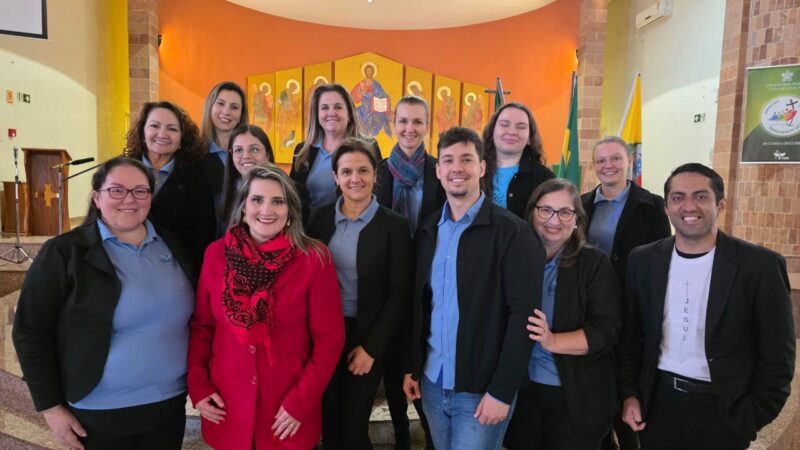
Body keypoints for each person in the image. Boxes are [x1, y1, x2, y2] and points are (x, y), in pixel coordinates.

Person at [13, 157, 195, 450]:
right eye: (117, 190)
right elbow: (30, 331)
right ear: (97, 197)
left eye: (140, 191)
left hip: (168, 403)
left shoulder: (170, 244)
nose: (129, 199)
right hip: (99, 410)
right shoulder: (64, 252)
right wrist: (50, 407)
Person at [619, 163, 795, 449]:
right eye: (677, 197)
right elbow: (632, 336)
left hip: (723, 409)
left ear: (720, 204)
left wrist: (748, 419)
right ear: (666, 207)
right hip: (657, 404)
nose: (688, 206)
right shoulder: (643, 259)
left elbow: (778, 356)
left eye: (700, 196)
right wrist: (629, 393)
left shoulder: (759, 266)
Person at [403, 127, 545, 450]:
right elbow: (421, 306)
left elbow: (524, 317)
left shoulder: (513, 233)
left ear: (482, 168)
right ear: (438, 171)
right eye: (448, 160)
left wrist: (502, 390)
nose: (457, 168)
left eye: (467, 159)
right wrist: (413, 367)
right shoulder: (427, 231)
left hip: (482, 391)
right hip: (434, 383)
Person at [188, 165, 345, 450]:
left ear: (290, 211)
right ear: (243, 207)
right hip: (227, 405)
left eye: (278, 201)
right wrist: (198, 387)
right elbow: (202, 327)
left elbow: (330, 341)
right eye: (257, 200)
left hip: (286, 411)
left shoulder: (314, 259)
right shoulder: (215, 255)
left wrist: (301, 402)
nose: (266, 210)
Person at [305, 138, 412, 450]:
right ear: (336, 177)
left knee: (353, 428)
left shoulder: (394, 225)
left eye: (364, 170)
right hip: (324, 334)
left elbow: (398, 293)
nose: (356, 178)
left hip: (368, 334)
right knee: (328, 422)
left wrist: (372, 348)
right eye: (347, 171)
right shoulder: (319, 219)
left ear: (375, 175)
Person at [504, 178, 621, 450]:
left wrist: (552, 341)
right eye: (545, 210)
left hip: (576, 396)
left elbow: (606, 330)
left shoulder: (594, 263)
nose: (554, 220)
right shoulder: (513, 259)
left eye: (565, 212)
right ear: (531, 213)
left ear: (577, 219)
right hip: (523, 392)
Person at [581, 136, 671, 450]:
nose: (608, 166)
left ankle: (630, 439)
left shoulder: (651, 205)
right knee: (597, 380)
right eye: (601, 160)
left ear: (629, 162)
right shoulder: (582, 204)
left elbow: (662, 258)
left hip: (632, 305)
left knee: (626, 378)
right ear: (593, 166)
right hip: (591, 305)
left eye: (616, 158)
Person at [375, 95, 443, 450]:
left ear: (427, 125)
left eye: (417, 122)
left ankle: (430, 434)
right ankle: (402, 434)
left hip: (430, 278)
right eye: (402, 121)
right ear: (393, 124)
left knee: (420, 356)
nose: (409, 129)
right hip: (388, 278)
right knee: (391, 356)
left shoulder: (439, 170)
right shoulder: (379, 170)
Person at [125, 100, 216, 276]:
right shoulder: (120, 172)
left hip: (175, 273)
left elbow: (203, 235)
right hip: (125, 270)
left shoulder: (195, 179)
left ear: (182, 139)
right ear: (143, 133)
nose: (162, 134)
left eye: (172, 129)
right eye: (154, 126)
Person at [290, 83, 380, 212]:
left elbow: (378, 194)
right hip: (309, 229)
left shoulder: (369, 147)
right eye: (324, 108)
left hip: (355, 227)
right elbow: (293, 196)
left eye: (338, 107)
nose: (331, 113)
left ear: (349, 113)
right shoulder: (302, 151)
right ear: (317, 114)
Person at [482, 102, 555, 219]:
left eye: (521, 127)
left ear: (529, 138)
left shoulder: (543, 177)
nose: (511, 132)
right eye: (504, 125)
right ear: (492, 131)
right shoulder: (472, 170)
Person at [200, 81, 249, 235]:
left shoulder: (252, 153)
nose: (226, 111)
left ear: (241, 115)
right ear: (210, 107)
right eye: (220, 104)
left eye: (234, 107)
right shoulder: (195, 154)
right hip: (207, 241)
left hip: (248, 241)